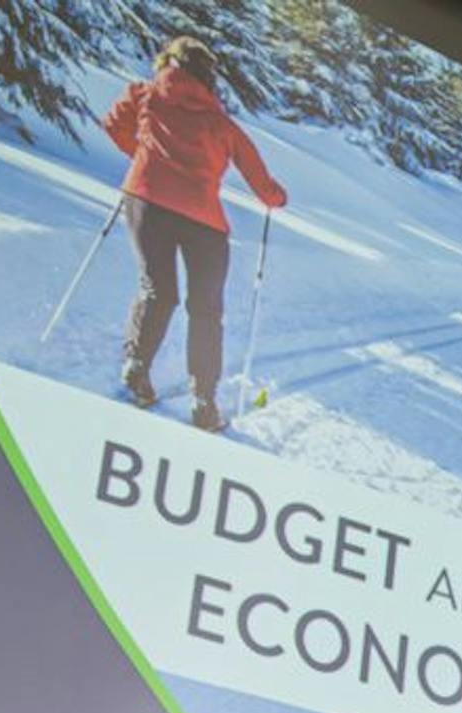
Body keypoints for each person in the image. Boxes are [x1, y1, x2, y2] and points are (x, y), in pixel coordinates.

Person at [103, 35, 287, 433]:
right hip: (203, 221)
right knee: (206, 310)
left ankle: (136, 368)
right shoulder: (221, 124)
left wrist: (144, 157)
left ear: (167, 63)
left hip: (147, 201)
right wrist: (275, 197)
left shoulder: (144, 94)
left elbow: (114, 124)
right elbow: (258, 176)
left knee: (158, 289)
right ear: (208, 78)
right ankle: (204, 403)